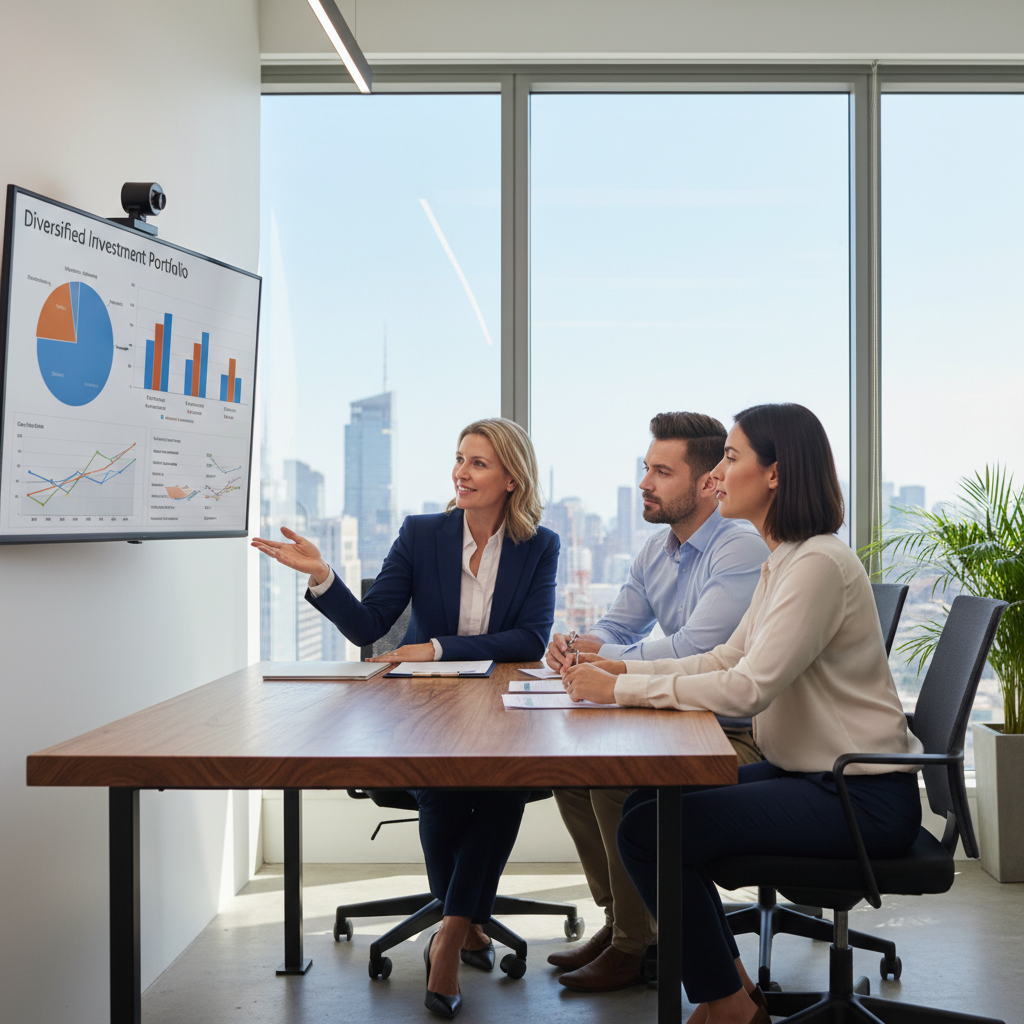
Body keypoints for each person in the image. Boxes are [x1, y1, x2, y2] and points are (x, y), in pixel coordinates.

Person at [562, 403, 923, 1024]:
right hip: (808, 775)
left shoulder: (816, 564)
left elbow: (748, 688)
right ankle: (731, 992)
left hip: (858, 796)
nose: (718, 475)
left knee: (648, 832)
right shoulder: (784, 558)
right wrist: (620, 674)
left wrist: (620, 691)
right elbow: (725, 657)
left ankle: (726, 1005)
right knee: (647, 805)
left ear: (775, 473)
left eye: (731, 458)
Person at [252, 417, 558, 1020]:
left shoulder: (538, 545)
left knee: (502, 786)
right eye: (459, 458)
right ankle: (464, 926)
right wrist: (322, 576)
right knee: (443, 784)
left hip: (500, 705)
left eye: (478, 463)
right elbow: (369, 625)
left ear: (512, 479)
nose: (460, 472)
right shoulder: (422, 534)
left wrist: (437, 647)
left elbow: (531, 639)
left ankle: (449, 935)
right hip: (427, 704)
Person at [543, 412, 768, 992]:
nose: (645, 483)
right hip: (683, 714)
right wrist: (579, 646)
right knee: (571, 772)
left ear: (708, 482)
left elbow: (696, 649)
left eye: (662, 472)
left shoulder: (738, 547)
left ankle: (634, 943)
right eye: (646, 469)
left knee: (614, 779)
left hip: (737, 732)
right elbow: (618, 626)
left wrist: (608, 663)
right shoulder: (656, 549)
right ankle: (625, 921)